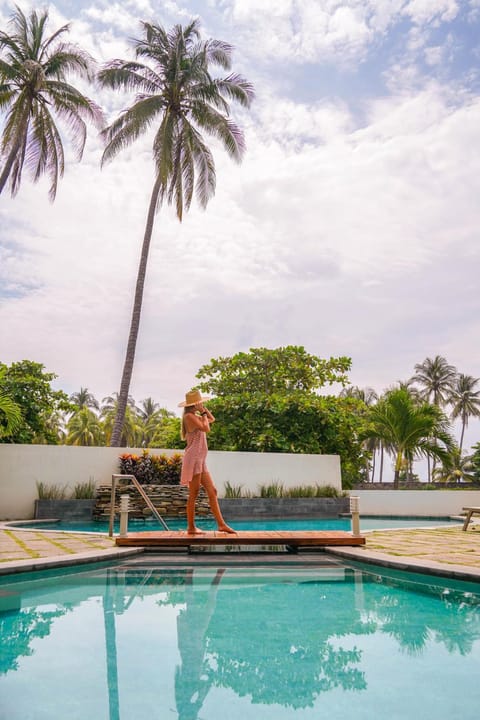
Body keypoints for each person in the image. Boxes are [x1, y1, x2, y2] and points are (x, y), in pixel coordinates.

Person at [179, 389, 235, 534]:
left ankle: (221, 525)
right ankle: (191, 528)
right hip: (193, 459)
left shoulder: (196, 416)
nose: (202, 404)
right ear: (194, 404)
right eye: (200, 402)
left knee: (213, 491)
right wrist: (202, 413)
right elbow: (206, 428)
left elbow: (212, 420)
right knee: (194, 493)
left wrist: (204, 410)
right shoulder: (189, 417)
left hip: (200, 460)